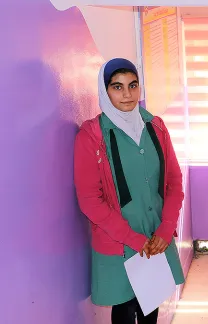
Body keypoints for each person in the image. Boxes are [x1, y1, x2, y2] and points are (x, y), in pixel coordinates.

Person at [73, 58, 185, 323]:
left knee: (151, 307)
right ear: (104, 90)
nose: (127, 94)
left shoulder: (155, 127)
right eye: (117, 87)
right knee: (124, 311)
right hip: (119, 242)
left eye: (132, 85)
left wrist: (166, 227)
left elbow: (174, 181)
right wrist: (134, 239)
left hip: (156, 236)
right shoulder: (91, 136)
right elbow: (90, 200)